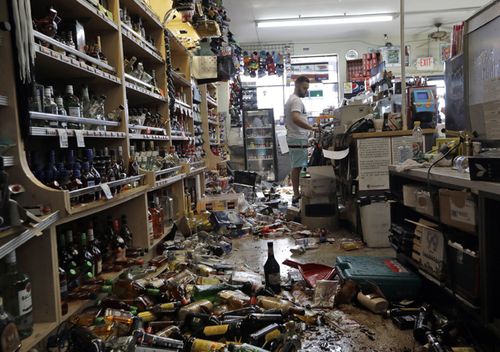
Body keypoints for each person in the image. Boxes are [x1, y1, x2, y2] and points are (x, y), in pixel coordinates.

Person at [284, 75, 316, 205]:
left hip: (295, 137)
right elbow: (296, 118)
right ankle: (297, 195)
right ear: (297, 86)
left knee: (296, 166)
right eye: (304, 88)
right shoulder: (296, 100)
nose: (306, 91)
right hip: (297, 137)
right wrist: (312, 128)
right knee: (298, 167)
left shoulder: (291, 99)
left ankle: (297, 194)